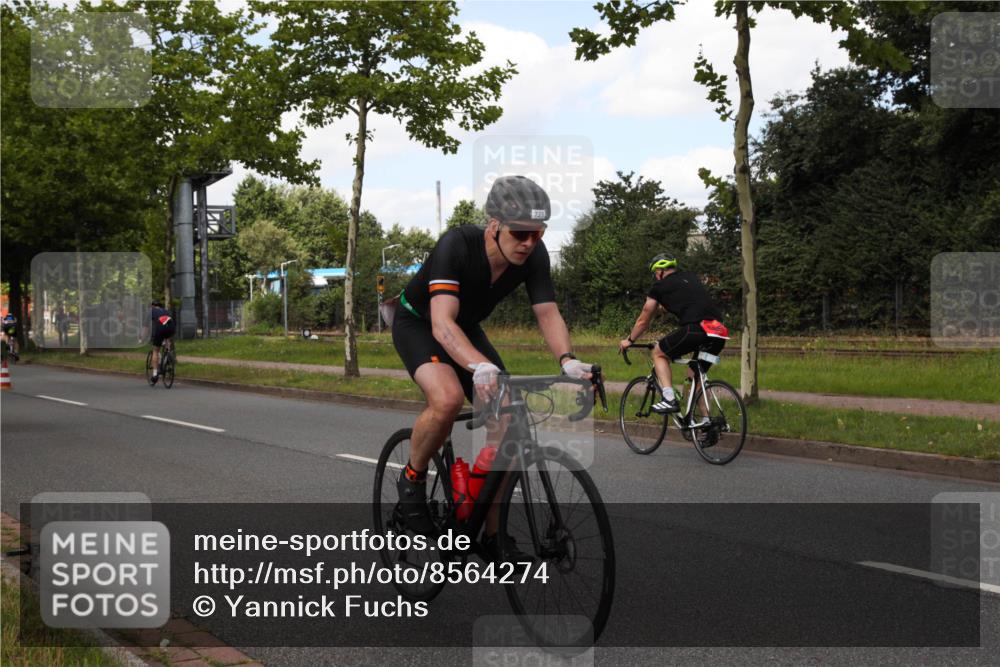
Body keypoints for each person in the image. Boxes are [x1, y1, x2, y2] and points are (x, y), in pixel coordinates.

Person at [391, 175, 594, 556]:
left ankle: (492, 535)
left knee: (510, 420)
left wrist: (568, 361)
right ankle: (412, 479)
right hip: (420, 323)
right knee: (448, 399)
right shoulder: (457, 245)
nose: (529, 243)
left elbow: (547, 312)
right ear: (494, 224)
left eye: (537, 233)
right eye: (520, 233)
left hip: (464, 328)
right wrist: (478, 366)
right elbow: (441, 323)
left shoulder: (534, 254)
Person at [619, 254, 729, 415]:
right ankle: (707, 423)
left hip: (695, 329)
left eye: (655, 273)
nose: (656, 277)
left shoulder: (659, 287)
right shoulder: (691, 277)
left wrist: (630, 340)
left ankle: (669, 399)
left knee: (658, 353)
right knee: (695, 375)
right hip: (719, 331)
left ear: (659, 271)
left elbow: (644, 318)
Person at [149, 300, 176, 384]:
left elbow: (145, 327)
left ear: (152, 306)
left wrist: (141, 337)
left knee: (155, 350)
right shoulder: (166, 311)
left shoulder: (151, 311)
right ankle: (168, 355)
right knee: (167, 338)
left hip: (161, 329)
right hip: (171, 328)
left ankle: (155, 374)